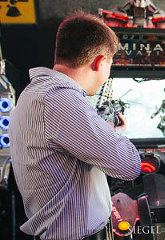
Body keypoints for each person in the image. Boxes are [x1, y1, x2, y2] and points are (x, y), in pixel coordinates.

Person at [9, 12, 141, 239]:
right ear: (100, 62)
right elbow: (129, 166)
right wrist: (116, 133)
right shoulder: (61, 100)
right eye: (110, 64)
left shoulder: (34, 93)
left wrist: (106, 130)